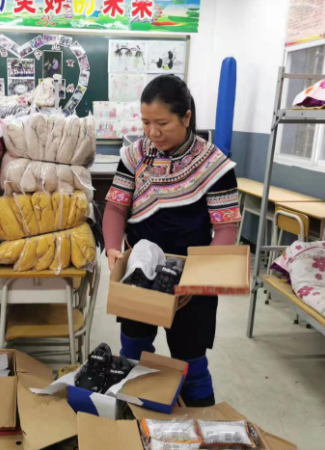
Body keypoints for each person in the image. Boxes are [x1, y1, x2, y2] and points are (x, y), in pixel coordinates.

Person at [102, 75, 241, 407]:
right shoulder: (134, 156)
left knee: (190, 364)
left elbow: (226, 229)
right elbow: (116, 207)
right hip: (139, 274)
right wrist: (112, 249)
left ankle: (203, 422)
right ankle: (134, 420)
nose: (153, 132)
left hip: (192, 279)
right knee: (133, 354)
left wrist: (195, 279)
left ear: (186, 117)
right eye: (146, 122)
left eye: (162, 123)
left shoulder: (214, 165)